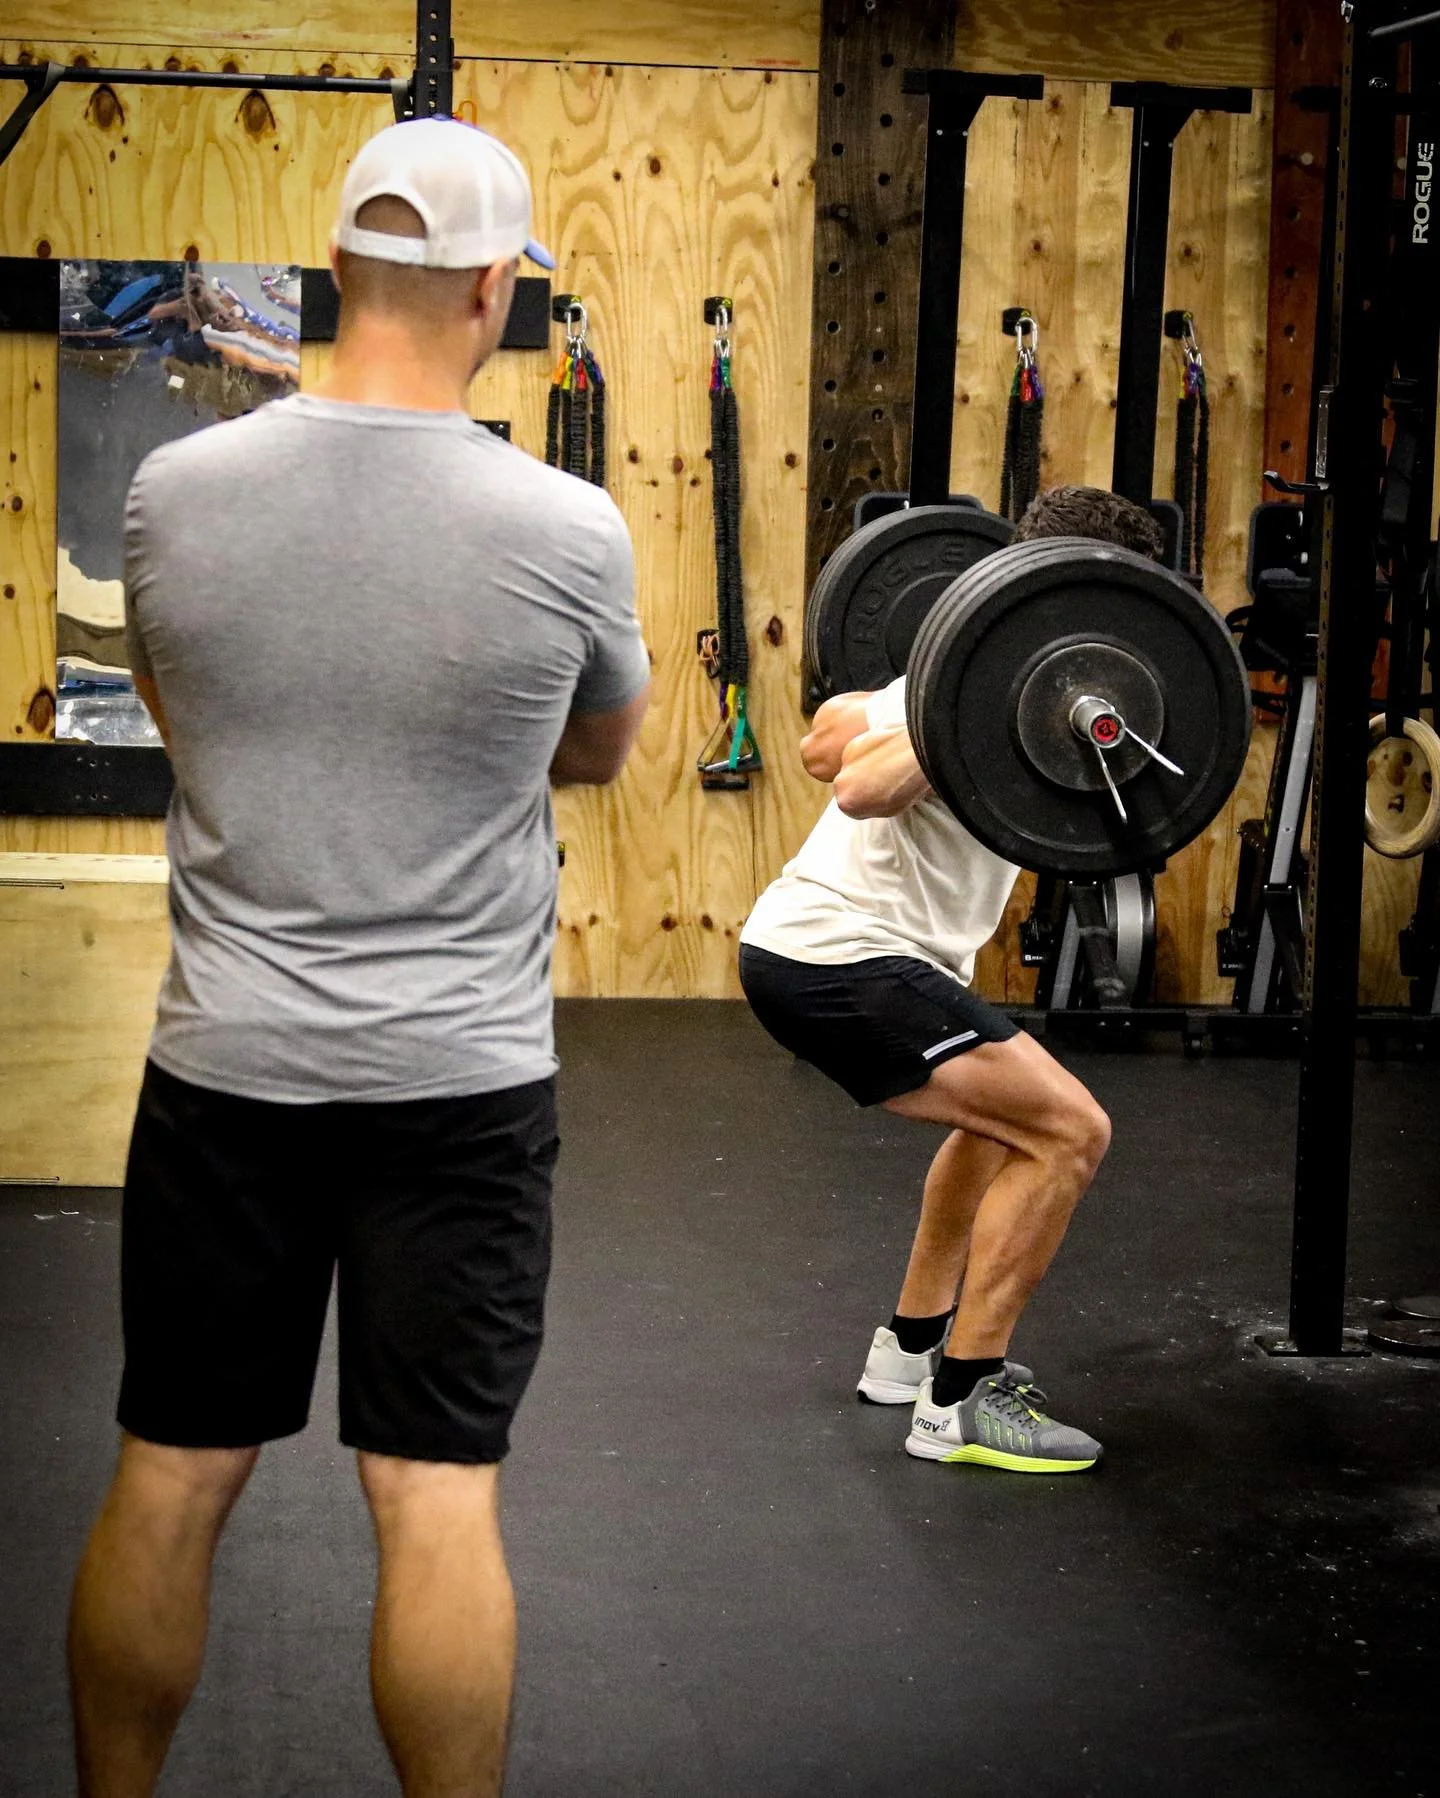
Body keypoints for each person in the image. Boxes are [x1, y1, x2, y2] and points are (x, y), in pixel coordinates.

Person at [67, 117, 651, 1798]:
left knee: (171, 1472)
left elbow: (187, 726)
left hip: (226, 1073)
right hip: (457, 1089)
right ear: (493, 289)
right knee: (437, 1488)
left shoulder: (174, 493)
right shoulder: (567, 526)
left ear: (335, 269)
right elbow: (601, 755)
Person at [740, 486, 1167, 1476]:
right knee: (1071, 1129)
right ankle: (966, 1399)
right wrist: (976, 716)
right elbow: (849, 779)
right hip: (840, 955)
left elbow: (827, 732)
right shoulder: (975, 688)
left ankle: (909, 1350)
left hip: (834, 952)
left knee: (997, 1129)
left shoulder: (982, 678)